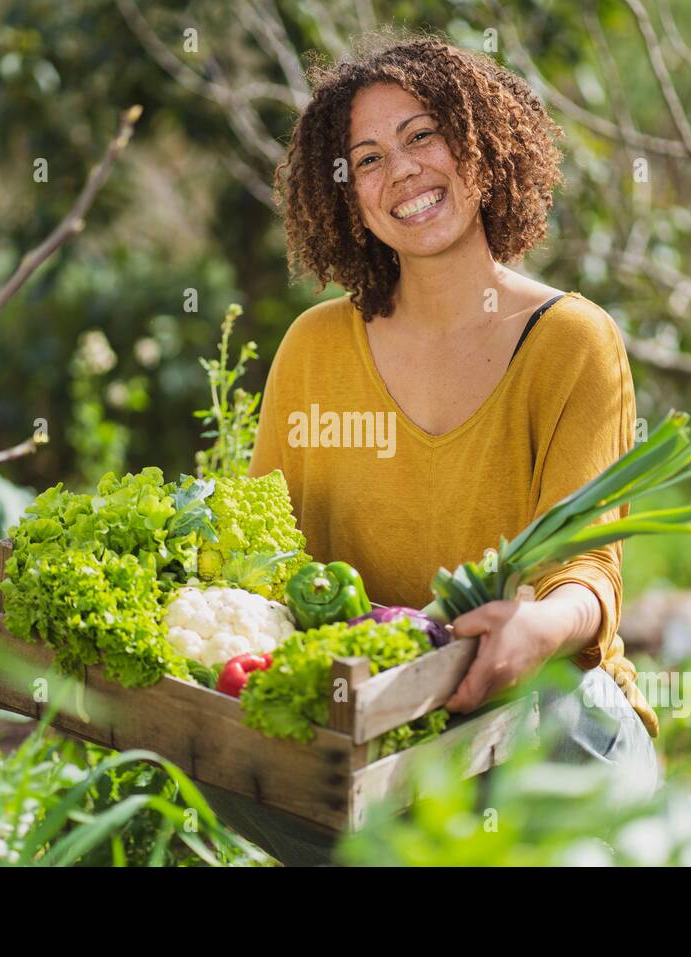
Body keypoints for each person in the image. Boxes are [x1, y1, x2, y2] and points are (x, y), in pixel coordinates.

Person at [200, 32, 660, 866]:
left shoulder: (573, 343)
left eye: (423, 135)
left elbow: (588, 576)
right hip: (374, 743)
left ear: (481, 148)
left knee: (566, 725)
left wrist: (537, 626)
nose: (402, 171)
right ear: (346, 197)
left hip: (541, 726)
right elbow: (260, 556)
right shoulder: (313, 349)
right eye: (367, 158)